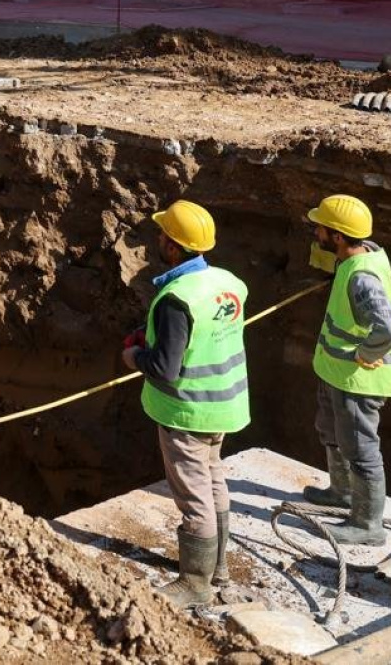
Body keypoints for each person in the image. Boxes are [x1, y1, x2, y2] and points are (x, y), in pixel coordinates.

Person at [122, 199, 250, 607]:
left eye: (163, 234)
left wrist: (134, 357)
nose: (158, 238)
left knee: (194, 497)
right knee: (213, 484)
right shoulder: (227, 283)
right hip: (223, 406)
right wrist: (153, 333)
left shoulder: (177, 299)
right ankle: (219, 571)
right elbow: (200, 335)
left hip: (187, 411)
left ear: (174, 246)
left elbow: (165, 369)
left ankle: (195, 583)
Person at [303, 194, 391, 547]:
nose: (314, 229)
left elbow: (389, 329)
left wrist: (366, 353)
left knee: (361, 448)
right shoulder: (361, 255)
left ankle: (367, 526)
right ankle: (342, 493)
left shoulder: (362, 279)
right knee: (330, 429)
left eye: (320, 226)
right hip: (335, 370)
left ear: (336, 236)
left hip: (358, 377)